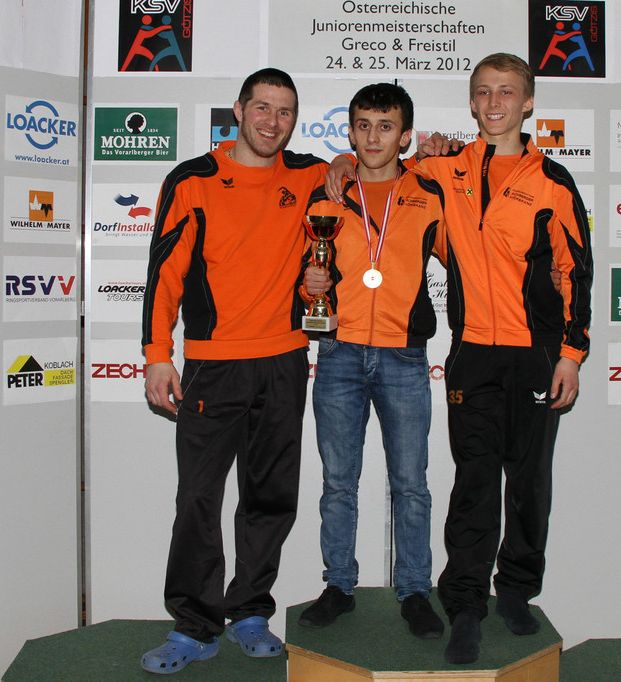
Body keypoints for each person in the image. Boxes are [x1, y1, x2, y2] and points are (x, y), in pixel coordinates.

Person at [331, 53, 593, 665]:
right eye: (484, 92)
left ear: (528, 102)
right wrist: (341, 160)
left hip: (535, 355)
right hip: (471, 352)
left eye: (507, 92)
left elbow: (576, 270)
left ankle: (517, 591)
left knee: (528, 482)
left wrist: (571, 355)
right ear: (472, 102)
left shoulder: (554, 181)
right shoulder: (443, 170)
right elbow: (378, 164)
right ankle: (467, 603)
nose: (495, 102)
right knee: (474, 482)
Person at [139, 68, 328, 675]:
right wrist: (156, 354)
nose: (273, 122)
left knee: (269, 496)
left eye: (285, 111)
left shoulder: (311, 176)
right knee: (198, 498)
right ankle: (194, 625)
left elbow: (371, 169)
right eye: (262, 108)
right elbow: (165, 272)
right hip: (212, 366)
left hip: (285, 361)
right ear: (240, 111)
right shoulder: (193, 179)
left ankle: (249, 610)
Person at [296, 83, 447, 640]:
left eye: (386, 126)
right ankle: (339, 585)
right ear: (350, 131)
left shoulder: (430, 193)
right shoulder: (327, 197)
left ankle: (415, 591)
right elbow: (306, 275)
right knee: (338, 482)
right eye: (363, 125)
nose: (373, 137)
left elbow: (469, 256)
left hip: (404, 356)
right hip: (338, 352)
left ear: (405, 136)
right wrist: (310, 285)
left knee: (411, 484)